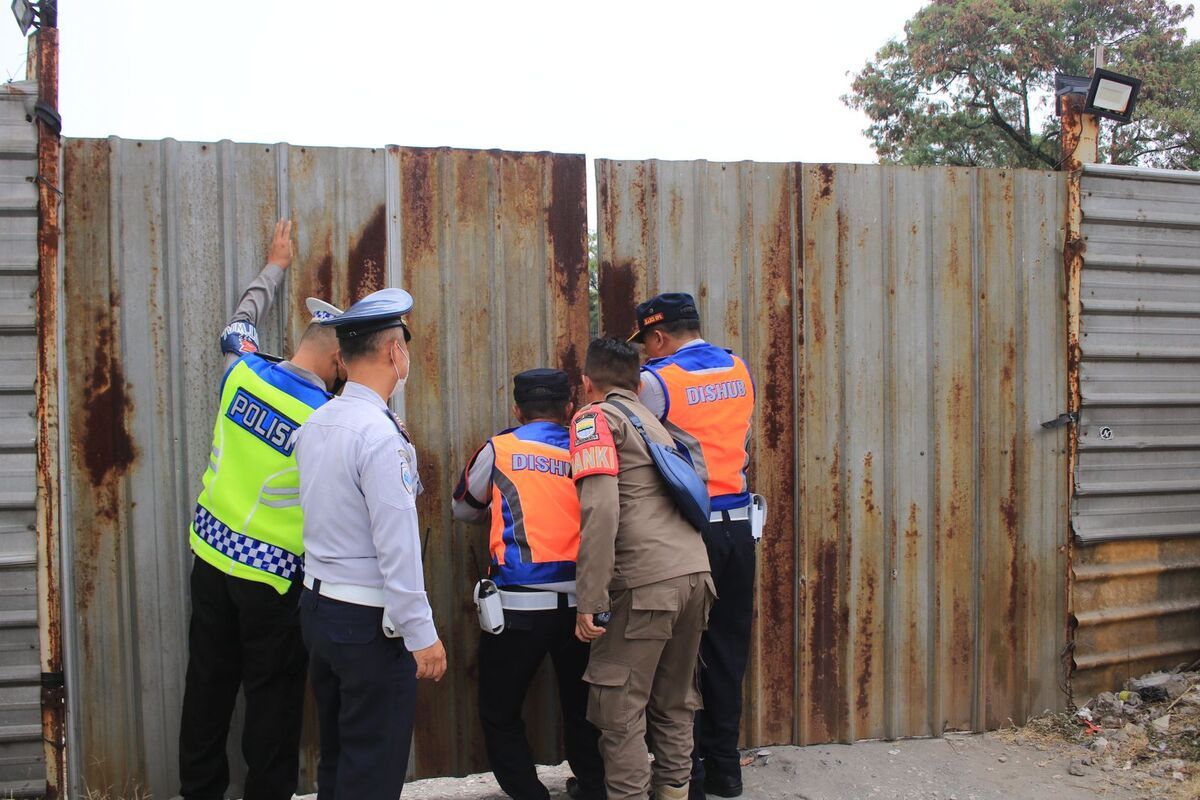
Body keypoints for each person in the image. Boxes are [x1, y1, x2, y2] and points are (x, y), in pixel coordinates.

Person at [179, 219, 346, 800]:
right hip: (272, 582)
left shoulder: (240, 370)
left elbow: (240, 322)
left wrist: (275, 264)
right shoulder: (326, 421)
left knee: (206, 690)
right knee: (271, 713)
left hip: (210, 563)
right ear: (336, 363)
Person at [293, 287, 447, 800]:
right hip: (368, 627)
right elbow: (396, 543)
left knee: (338, 755)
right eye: (405, 345)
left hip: (320, 610)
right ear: (392, 352)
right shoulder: (377, 436)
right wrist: (420, 632)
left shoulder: (319, 422)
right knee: (374, 769)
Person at [452, 368, 606, 800]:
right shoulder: (588, 448)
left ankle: (529, 793)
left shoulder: (500, 448)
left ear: (517, 410)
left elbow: (463, 508)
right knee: (583, 706)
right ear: (569, 409)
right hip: (584, 603)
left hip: (518, 606)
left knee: (500, 711)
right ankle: (594, 787)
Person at [571, 337, 714, 800]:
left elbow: (602, 511)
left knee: (620, 708)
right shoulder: (657, 424)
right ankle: (675, 791)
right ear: (636, 382)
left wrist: (590, 600)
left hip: (645, 581)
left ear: (587, 382)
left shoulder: (594, 418)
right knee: (674, 702)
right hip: (696, 574)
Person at [630, 293, 756, 799]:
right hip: (740, 527)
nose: (644, 354)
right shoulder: (739, 368)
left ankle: (691, 776)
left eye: (645, 345)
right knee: (727, 652)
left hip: (692, 530)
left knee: (680, 659)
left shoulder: (656, 382)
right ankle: (727, 769)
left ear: (658, 337)